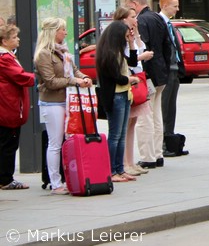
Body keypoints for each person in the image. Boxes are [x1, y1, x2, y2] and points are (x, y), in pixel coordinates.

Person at [33, 17, 92, 194]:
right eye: (62, 30)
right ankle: (55, 182)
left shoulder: (63, 52)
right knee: (55, 142)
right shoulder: (44, 54)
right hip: (52, 102)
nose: (65, 33)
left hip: (67, 99)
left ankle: (69, 179)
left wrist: (84, 77)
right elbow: (50, 81)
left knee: (68, 140)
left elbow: (74, 69)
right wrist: (75, 81)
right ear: (53, 32)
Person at [124, 0, 169, 169]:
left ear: (135, 4)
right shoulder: (158, 18)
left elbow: (141, 50)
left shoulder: (141, 21)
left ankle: (148, 156)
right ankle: (158, 154)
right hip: (161, 74)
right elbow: (168, 45)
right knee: (156, 116)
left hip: (147, 75)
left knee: (144, 117)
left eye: (129, 8)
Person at [95, 20, 140, 183]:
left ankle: (120, 169)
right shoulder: (108, 54)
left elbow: (133, 62)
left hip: (124, 95)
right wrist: (131, 79)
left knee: (121, 135)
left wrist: (132, 43)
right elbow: (117, 78)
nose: (126, 38)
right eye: (125, 36)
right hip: (115, 96)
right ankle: (112, 171)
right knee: (115, 135)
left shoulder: (118, 51)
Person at [116, 6, 154, 177]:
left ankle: (130, 161)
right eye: (132, 17)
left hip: (138, 76)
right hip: (129, 78)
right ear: (123, 18)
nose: (135, 19)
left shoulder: (131, 34)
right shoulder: (118, 36)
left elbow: (140, 46)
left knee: (132, 123)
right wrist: (141, 57)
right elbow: (127, 59)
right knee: (126, 124)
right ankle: (124, 162)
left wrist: (136, 33)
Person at [0, 22, 35, 191]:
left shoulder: (7, 56)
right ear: (4, 41)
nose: (18, 39)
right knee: (9, 145)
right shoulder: (4, 58)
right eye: (14, 37)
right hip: (8, 108)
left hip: (7, 106)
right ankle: (6, 179)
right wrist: (37, 77)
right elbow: (20, 77)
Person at [157, 0, 187, 157]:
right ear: (165, 6)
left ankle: (170, 138)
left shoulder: (171, 25)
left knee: (171, 107)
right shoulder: (159, 23)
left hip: (174, 70)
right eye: (174, 6)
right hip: (166, 70)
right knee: (164, 107)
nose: (177, 9)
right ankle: (163, 142)